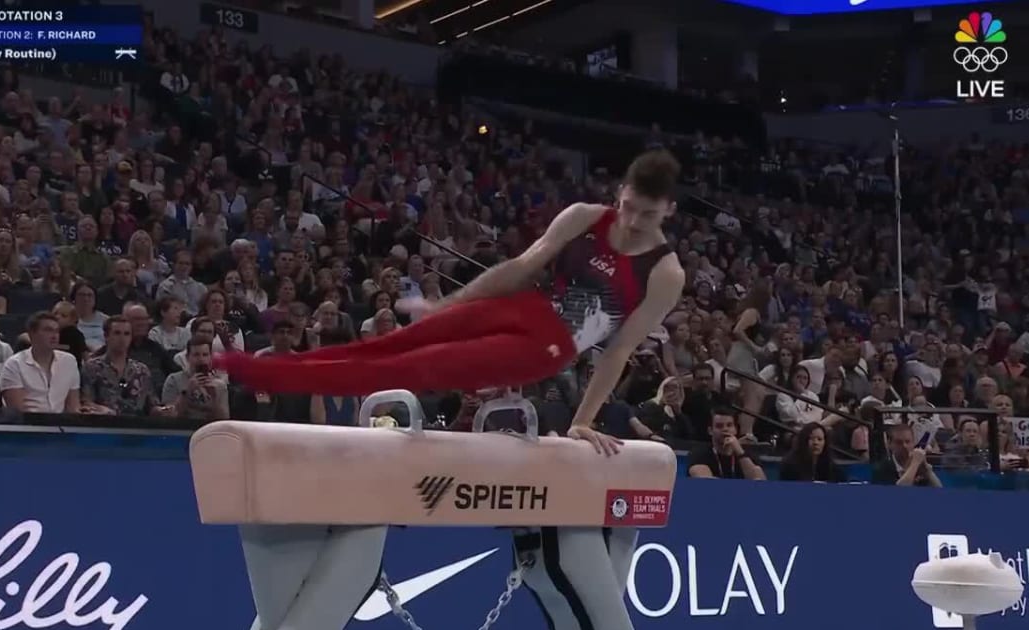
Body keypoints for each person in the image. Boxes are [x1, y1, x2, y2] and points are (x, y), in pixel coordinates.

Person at [220, 150, 687, 456]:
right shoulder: (586, 217)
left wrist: (582, 422)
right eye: (628, 206)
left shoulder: (665, 273)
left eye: (647, 214)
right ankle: (274, 365)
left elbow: (619, 350)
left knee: (411, 367)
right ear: (619, 194)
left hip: (549, 349)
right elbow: (521, 266)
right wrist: (446, 305)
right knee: (394, 343)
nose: (631, 221)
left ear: (669, 210)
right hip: (525, 307)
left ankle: (262, 372)